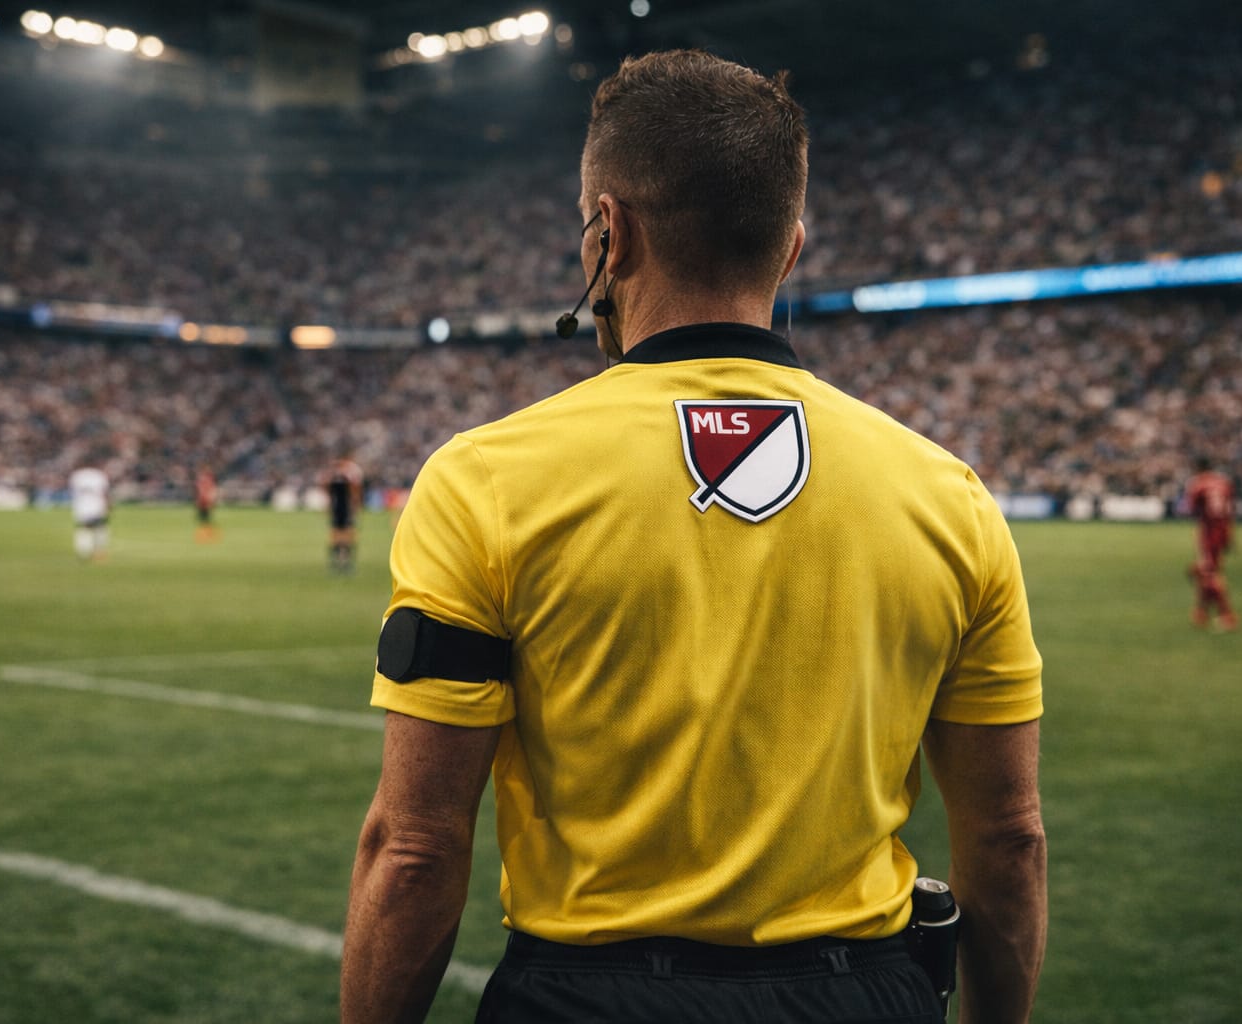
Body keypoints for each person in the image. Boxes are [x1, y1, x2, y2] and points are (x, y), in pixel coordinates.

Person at [341, 51, 1047, 1024]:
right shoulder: (949, 494)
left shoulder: (486, 480)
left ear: (609, 233)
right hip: (867, 996)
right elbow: (1009, 840)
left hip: (585, 998)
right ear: (790, 249)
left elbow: (415, 848)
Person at [1183, 455, 1238, 630]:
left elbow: (1190, 509)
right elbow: (1230, 510)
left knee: (1209, 573)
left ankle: (1227, 615)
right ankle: (1201, 612)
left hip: (1209, 531)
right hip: (1224, 530)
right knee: (1209, 569)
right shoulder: (1224, 482)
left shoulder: (1198, 484)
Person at [323, 454, 363, 573]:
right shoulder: (349, 476)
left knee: (337, 535)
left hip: (338, 508)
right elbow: (355, 493)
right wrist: (356, 508)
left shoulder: (333, 476)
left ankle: (338, 562)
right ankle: (344, 562)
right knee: (345, 535)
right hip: (344, 508)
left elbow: (327, 490)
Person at [68, 464, 111, 561]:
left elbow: (72, 491)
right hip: (97, 507)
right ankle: (99, 553)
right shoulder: (99, 475)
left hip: (81, 508)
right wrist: (108, 505)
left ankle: (82, 552)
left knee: (83, 530)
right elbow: (105, 492)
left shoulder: (77, 475)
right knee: (100, 529)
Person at [194, 464, 220, 543]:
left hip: (204, 502)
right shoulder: (207, 479)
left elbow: (204, 490)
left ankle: (207, 534)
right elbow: (212, 490)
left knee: (204, 519)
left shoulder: (204, 479)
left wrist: (208, 499)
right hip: (204, 502)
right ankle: (207, 533)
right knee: (205, 519)